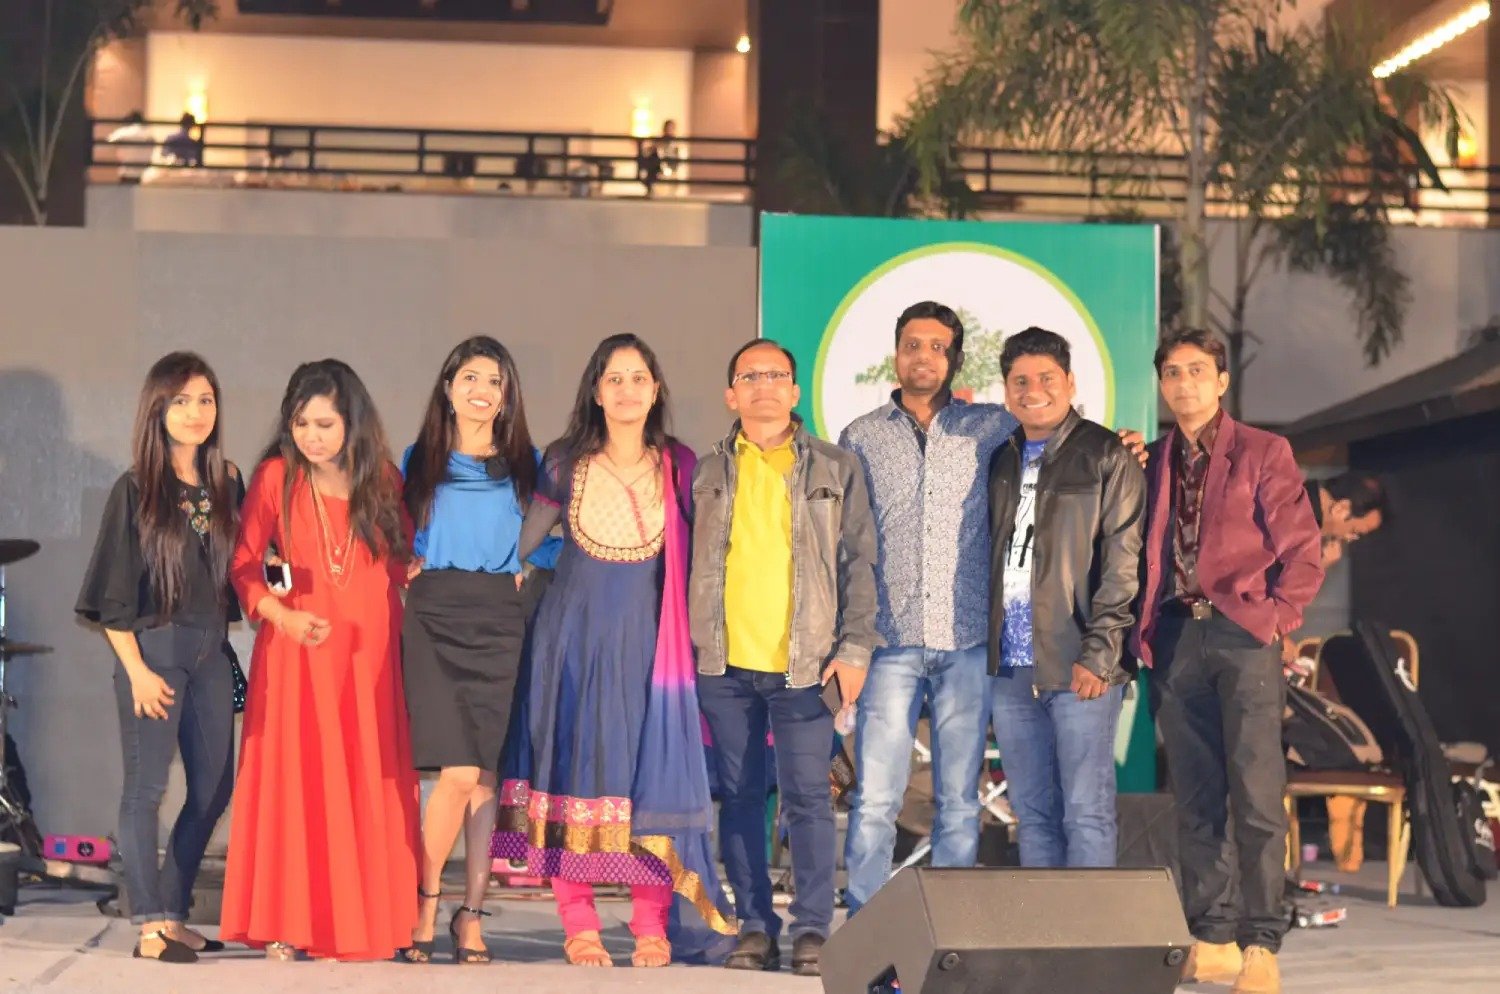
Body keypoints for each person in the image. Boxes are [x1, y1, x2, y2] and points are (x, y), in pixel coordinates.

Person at [493, 334, 735, 969]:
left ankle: (651, 923)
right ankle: (580, 924)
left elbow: (709, 556)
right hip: (570, 642)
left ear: (655, 389)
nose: (627, 389)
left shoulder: (681, 465)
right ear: (596, 392)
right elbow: (519, 543)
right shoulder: (564, 461)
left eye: (638, 378)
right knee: (573, 774)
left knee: (648, 783)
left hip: (652, 650)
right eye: (614, 379)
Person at [1133, 330, 1324, 994]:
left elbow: (1304, 549)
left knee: (1256, 793)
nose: (1183, 382)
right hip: (1177, 637)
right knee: (1195, 795)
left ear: (1220, 381)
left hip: (1244, 635)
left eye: (1196, 370)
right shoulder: (1153, 459)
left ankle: (1262, 941)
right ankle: (1211, 937)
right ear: (1161, 384)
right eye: (1171, 372)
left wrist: (1276, 619)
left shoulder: (1264, 452)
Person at [219, 360, 420, 962]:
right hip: (299, 651)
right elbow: (245, 563)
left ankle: (366, 919)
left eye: (325, 423)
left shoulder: (382, 478)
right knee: (297, 780)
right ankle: (289, 919)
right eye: (301, 422)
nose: (312, 434)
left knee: (366, 777)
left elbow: (404, 560)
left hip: (370, 655)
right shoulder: (276, 477)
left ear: (351, 423)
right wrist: (280, 617)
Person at [691, 339, 880, 976]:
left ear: (795, 392)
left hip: (809, 665)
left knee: (807, 799)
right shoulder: (707, 471)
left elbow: (861, 565)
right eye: (751, 376)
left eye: (777, 375)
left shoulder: (836, 467)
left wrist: (854, 650)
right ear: (731, 394)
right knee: (740, 798)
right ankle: (752, 924)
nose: (764, 385)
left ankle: (811, 932)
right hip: (723, 663)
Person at [837, 302, 1015, 913]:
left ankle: (951, 924)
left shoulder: (990, 428)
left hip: (964, 638)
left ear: (954, 359)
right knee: (877, 798)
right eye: (913, 344)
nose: (924, 356)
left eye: (938, 347)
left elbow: (1056, 444)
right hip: (887, 641)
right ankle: (865, 920)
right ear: (896, 354)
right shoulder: (861, 435)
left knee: (960, 798)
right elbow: (846, 539)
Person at [76, 352, 243, 964]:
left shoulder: (228, 479)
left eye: (205, 399)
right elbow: (110, 595)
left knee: (213, 787)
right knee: (145, 789)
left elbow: (246, 567)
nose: (196, 412)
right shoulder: (137, 488)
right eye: (181, 401)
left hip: (210, 649)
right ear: (158, 408)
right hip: (153, 649)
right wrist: (138, 670)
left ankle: (173, 910)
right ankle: (148, 923)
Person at [399, 336, 559, 964]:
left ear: (506, 395)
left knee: (483, 776)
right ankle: (425, 902)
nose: (481, 391)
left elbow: (551, 539)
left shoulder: (530, 464)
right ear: (447, 387)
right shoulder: (418, 459)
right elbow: (399, 530)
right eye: (469, 377)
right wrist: (408, 559)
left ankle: (469, 915)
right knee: (458, 772)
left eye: (494, 381)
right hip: (433, 616)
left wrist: (529, 567)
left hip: (498, 617)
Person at [987, 327, 1145, 868]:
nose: (1033, 390)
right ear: (1007, 391)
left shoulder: (1106, 453)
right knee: (1032, 813)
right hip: (1011, 668)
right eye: (1020, 380)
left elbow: (1124, 564)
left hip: (1079, 663)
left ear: (1070, 382)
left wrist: (1099, 653)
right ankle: (1043, 942)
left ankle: (1090, 946)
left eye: (1046, 378)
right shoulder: (1001, 457)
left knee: (1086, 810)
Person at [106, 111, 153, 182]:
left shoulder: (124, 132)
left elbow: (109, 140)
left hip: (126, 170)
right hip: (141, 171)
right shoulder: (149, 134)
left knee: (124, 190)